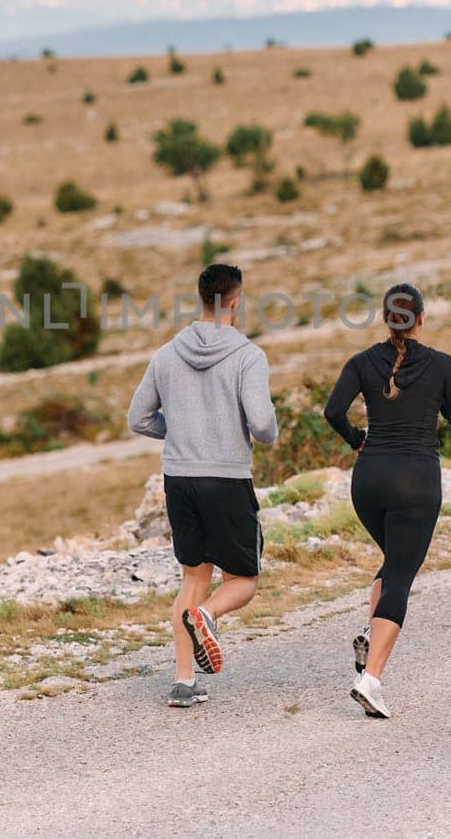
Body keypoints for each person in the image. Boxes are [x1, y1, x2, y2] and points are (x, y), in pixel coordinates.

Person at [127, 263, 278, 708]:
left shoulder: (166, 354)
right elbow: (264, 425)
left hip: (179, 479)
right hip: (226, 477)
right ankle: (207, 616)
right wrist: (260, 435)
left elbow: (138, 418)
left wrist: (178, 433)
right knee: (244, 579)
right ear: (236, 300)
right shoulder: (248, 355)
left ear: (200, 299)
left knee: (193, 576)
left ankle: (183, 681)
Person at [324, 283, 451, 718]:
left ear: (386, 319)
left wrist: (358, 440)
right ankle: (370, 680)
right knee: (401, 576)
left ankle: (372, 633)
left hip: (368, 481)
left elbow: (332, 410)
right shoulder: (442, 365)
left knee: (394, 562)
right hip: (415, 481)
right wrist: (438, 405)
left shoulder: (360, 362)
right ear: (422, 319)